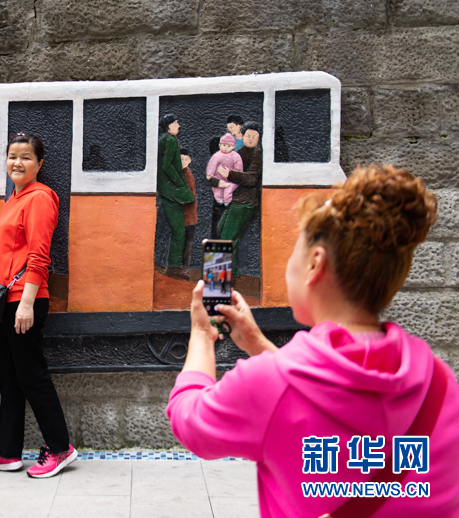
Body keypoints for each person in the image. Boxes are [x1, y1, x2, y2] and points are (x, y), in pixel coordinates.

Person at [167, 164, 459, 517]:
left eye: (295, 251)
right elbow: (319, 395)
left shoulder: (266, 383)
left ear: (314, 265)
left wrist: (201, 333)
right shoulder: (440, 382)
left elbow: (190, 421)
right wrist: (261, 347)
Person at [0, 132, 77, 479]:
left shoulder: (40, 197)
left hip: (25, 301)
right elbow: (3, 252)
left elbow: (39, 255)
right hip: (5, 301)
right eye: (12, 156)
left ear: (39, 164)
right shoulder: (16, 198)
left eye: (25, 157)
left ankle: (60, 448)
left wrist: (25, 304)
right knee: (9, 378)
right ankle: (7, 452)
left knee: (31, 376)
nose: (17, 163)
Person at [215, 121, 263, 275]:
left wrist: (230, 174)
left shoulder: (257, 153)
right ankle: (231, 274)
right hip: (235, 201)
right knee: (222, 230)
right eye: (248, 135)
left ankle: (219, 281)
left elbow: (252, 179)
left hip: (245, 202)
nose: (250, 138)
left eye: (253, 136)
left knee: (226, 239)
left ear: (259, 138)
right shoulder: (240, 151)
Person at [156, 114, 195, 281]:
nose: (178, 125)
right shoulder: (170, 140)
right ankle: (174, 267)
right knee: (179, 231)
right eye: (175, 123)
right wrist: (180, 182)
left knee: (177, 230)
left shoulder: (163, 139)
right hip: (171, 192)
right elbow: (166, 165)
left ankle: (173, 266)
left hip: (166, 191)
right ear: (168, 126)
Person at [180, 148, 198, 272]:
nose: (182, 162)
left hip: (188, 216)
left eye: (184, 159)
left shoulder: (187, 174)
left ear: (189, 160)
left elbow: (189, 196)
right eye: (179, 159)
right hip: (185, 216)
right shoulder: (183, 173)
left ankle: (184, 269)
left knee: (186, 244)